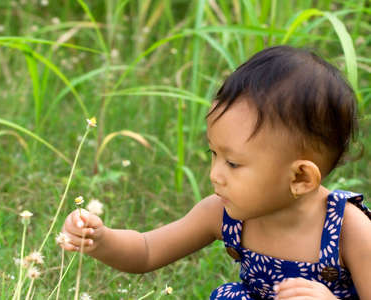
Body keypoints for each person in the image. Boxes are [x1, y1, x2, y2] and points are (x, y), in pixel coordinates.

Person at [60, 46, 371, 299]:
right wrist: (101, 240)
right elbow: (146, 250)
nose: (215, 175)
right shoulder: (222, 213)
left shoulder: (350, 231)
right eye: (214, 154)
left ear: (300, 178)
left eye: (233, 163)